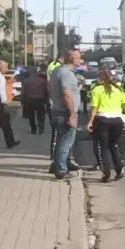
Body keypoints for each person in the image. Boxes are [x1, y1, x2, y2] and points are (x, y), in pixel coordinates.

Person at [87, 68, 125, 183]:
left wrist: (90, 122)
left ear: (99, 78)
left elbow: (94, 108)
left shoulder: (96, 90)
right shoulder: (118, 89)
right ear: (111, 77)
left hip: (102, 120)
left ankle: (106, 173)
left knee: (103, 148)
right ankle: (119, 166)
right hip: (117, 120)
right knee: (114, 144)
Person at [49, 48, 83, 179]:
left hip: (57, 110)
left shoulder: (57, 71)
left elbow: (49, 87)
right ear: (72, 59)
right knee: (65, 142)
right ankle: (61, 170)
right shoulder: (66, 74)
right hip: (65, 112)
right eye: (79, 57)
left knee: (62, 139)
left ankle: (64, 163)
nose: (81, 60)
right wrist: (72, 114)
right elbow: (67, 95)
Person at [22, 67, 50, 134]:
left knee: (31, 116)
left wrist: (23, 102)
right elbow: (46, 92)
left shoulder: (26, 81)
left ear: (30, 72)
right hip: (40, 100)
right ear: (37, 72)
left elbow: (23, 93)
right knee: (41, 114)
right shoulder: (42, 81)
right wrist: (47, 102)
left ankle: (33, 129)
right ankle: (41, 127)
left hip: (30, 100)